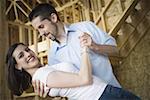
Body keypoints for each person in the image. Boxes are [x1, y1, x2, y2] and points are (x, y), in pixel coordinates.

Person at [29, 3, 121, 96]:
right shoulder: (52, 57)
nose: (41, 33)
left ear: (53, 18)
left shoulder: (86, 27)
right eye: (38, 30)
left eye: (41, 27)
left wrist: (96, 47)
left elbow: (116, 50)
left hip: (114, 92)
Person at [6, 43, 140, 100]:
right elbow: (84, 79)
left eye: (27, 50)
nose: (27, 54)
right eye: (21, 56)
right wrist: (84, 50)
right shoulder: (42, 75)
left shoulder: (43, 72)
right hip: (102, 95)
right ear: (18, 67)